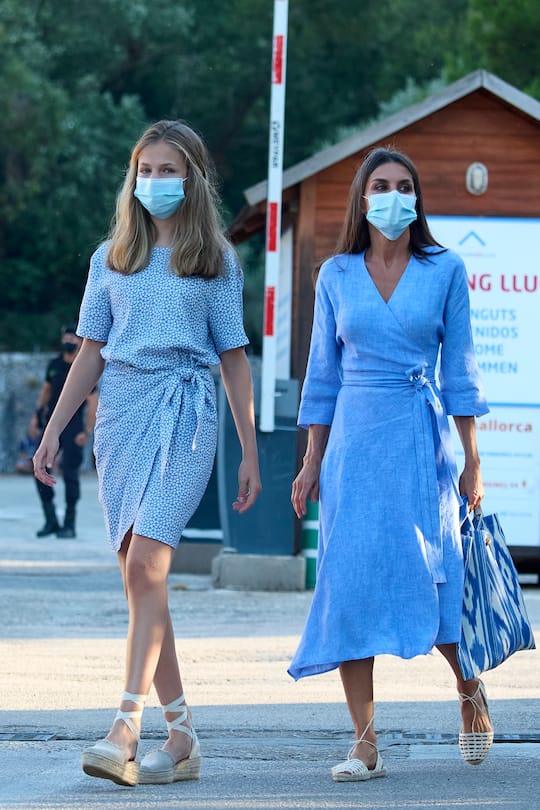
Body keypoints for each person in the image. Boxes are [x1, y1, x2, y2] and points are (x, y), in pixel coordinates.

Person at [33, 119, 262, 788]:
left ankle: (126, 725)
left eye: (169, 170)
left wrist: (248, 451)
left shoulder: (216, 258)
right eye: (146, 170)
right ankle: (183, 733)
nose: (156, 181)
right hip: (122, 418)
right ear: (133, 178)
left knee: (147, 562)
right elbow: (91, 353)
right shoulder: (110, 257)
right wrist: (53, 427)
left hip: (188, 413)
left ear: (192, 178)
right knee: (142, 578)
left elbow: (235, 361)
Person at [290, 147, 493, 781]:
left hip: (419, 443)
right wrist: (310, 461)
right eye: (380, 185)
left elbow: (460, 372)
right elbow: (321, 376)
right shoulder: (336, 275)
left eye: (404, 186)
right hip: (353, 445)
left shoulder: (445, 269)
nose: (393, 196)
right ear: (361, 196)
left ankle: (469, 691)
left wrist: (473, 463)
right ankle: (365, 742)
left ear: (417, 199)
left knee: (430, 577)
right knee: (348, 585)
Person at [30, 326, 98, 538]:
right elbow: (46, 391)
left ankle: (69, 524)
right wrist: (35, 416)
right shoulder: (55, 365)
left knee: (70, 474)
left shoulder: (83, 368)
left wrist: (86, 431)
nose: (69, 340)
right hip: (51, 424)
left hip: (74, 427)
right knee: (39, 468)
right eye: (66, 336)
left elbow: (93, 402)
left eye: (73, 337)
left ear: (79, 341)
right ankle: (51, 520)